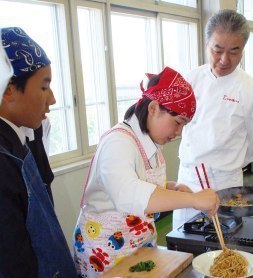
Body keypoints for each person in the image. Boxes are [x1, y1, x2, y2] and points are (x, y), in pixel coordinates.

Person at [74, 66, 220, 276]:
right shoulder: (118, 142)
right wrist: (194, 200)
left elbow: (144, 183)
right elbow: (128, 193)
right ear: (153, 108)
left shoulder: (150, 142)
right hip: (105, 251)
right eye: (177, 123)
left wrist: (173, 188)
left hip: (137, 247)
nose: (178, 132)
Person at [174, 9, 253, 228]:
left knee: (223, 248)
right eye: (217, 50)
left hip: (225, 182)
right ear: (207, 43)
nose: (224, 59)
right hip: (188, 177)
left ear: (243, 50)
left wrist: (230, 161)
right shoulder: (190, 80)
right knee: (183, 241)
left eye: (234, 51)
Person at [0, 27, 77, 277]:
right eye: (44, 87)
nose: (53, 99)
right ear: (8, 89)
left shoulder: (23, 136)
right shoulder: (4, 161)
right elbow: (13, 261)